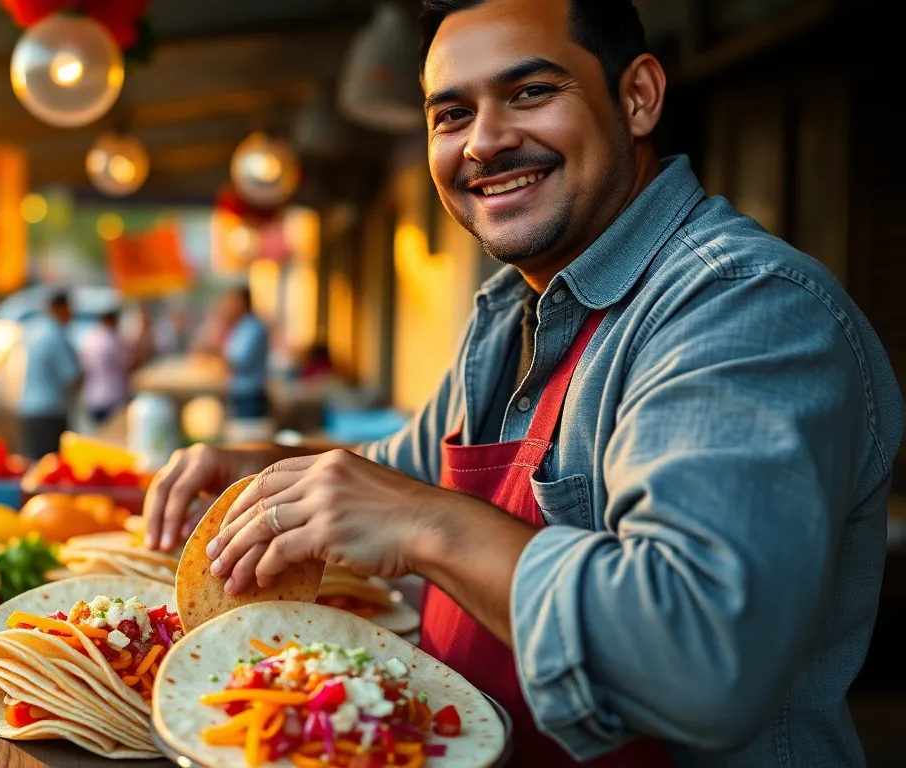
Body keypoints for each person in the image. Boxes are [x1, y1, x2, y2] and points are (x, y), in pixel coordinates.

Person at [142, 1, 903, 765]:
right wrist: (270, 467)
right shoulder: (516, 314)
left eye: (532, 92)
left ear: (637, 97)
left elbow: (700, 663)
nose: (485, 141)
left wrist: (426, 524)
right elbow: (401, 468)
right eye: (451, 114)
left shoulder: (744, 309)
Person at [17, 290, 80, 459]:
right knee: (51, 467)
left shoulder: (33, 331)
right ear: (60, 308)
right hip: (50, 412)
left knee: (36, 464)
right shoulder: (56, 335)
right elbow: (72, 376)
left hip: (29, 409)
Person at [220, 286, 269, 420]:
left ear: (243, 302)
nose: (229, 306)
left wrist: (216, 353)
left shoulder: (252, 327)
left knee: (248, 435)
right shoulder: (241, 326)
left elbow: (239, 360)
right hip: (242, 391)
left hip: (249, 393)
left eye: (233, 301)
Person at [78, 307, 130, 427]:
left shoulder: (89, 339)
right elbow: (126, 364)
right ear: (111, 319)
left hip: (93, 397)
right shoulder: (112, 340)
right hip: (113, 398)